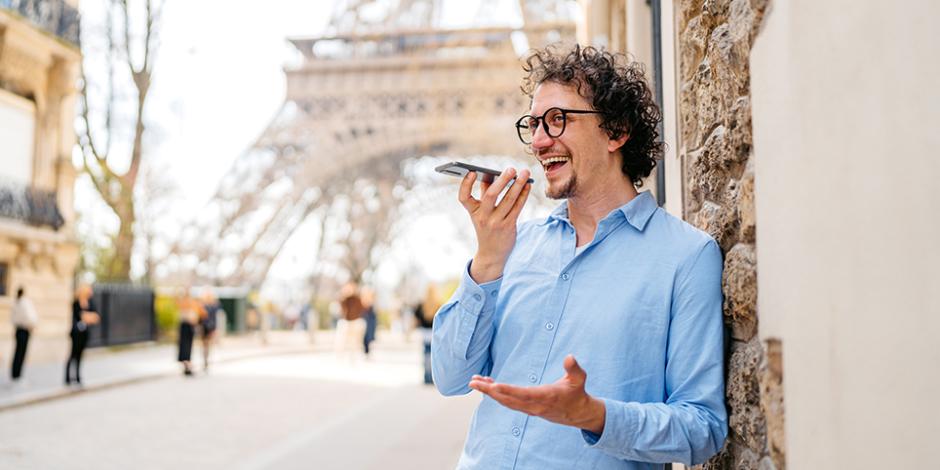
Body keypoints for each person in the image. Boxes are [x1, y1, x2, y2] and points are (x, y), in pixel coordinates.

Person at [431, 44, 727, 469]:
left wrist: (596, 416)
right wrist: (487, 262)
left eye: (557, 120)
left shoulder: (686, 256)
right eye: (533, 124)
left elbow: (703, 427)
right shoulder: (513, 245)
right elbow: (450, 377)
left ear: (616, 131)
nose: (538, 140)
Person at [66, 284, 99, 386]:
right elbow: (81, 316)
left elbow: (96, 317)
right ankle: (67, 378)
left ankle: (77, 378)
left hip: (84, 334)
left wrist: (87, 316)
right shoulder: (76, 303)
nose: (90, 292)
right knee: (72, 355)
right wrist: (88, 316)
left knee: (80, 356)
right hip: (76, 334)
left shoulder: (90, 302)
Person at [414, 284, 442, 385]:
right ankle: (433, 377)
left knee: (425, 355)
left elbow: (416, 318)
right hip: (434, 333)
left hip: (424, 333)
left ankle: (426, 377)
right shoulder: (438, 304)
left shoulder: (422, 304)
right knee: (434, 356)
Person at [10, 287, 38, 382]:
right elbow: (30, 317)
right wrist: (32, 325)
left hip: (18, 330)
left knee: (17, 353)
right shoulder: (24, 303)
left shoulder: (16, 302)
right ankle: (17, 375)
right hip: (24, 330)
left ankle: (14, 373)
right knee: (21, 353)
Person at [334, 283, 365, 362]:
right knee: (341, 339)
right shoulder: (344, 299)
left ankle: (354, 355)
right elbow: (341, 308)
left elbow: (362, 308)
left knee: (354, 341)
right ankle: (339, 355)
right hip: (346, 322)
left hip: (355, 322)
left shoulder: (357, 299)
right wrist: (344, 295)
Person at [177, 293, 203, 376]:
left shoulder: (191, 304)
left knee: (187, 346)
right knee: (186, 346)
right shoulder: (186, 304)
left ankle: (187, 365)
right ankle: (187, 365)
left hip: (187, 327)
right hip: (186, 327)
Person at [199, 290, 221, 372]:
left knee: (208, 344)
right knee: (204, 344)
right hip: (204, 326)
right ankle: (205, 359)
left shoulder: (214, 305)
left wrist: (215, 328)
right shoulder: (202, 305)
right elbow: (200, 317)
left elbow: (215, 317)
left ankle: (207, 359)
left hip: (211, 327)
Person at [360, 288, 377, 357]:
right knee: (365, 335)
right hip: (365, 316)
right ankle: (366, 350)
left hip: (370, 317)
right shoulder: (362, 300)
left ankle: (367, 350)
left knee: (369, 334)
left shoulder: (371, 303)